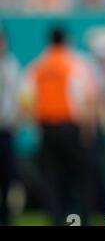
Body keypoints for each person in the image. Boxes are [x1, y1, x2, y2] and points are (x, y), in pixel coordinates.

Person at [21, 27, 96, 225]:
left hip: (46, 127)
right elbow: (87, 98)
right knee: (80, 176)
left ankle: (55, 219)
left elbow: (26, 99)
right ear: (67, 39)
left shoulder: (37, 66)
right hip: (71, 127)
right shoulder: (75, 63)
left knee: (52, 177)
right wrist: (88, 129)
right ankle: (81, 218)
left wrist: (36, 122)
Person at [0, 29, 20, 225]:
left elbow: (16, 97)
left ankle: (5, 215)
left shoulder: (11, 65)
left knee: (6, 174)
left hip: (4, 128)